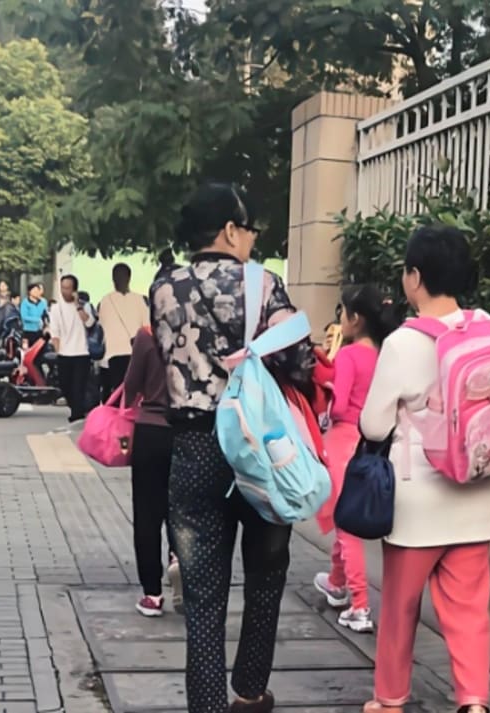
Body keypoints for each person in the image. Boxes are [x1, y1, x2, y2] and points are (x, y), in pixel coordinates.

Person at [151, 183, 316, 713]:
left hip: (193, 447)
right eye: (249, 230)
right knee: (266, 573)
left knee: (202, 594)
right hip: (257, 447)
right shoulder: (262, 283)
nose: (251, 239)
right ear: (229, 229)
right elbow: (300, 362)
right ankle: (249, 691)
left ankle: (206, 705)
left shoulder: (163, 287)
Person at [359, 226, 490, 713]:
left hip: (416, 501)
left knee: (400, 606)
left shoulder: (403, 343)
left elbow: (374, 425)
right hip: (477, 495)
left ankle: (390, 699)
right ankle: (474, 703)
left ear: (415, 277)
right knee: (469, 610)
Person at [313, 286, 398, 634]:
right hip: (372, 445)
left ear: (356, 318)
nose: (340, 319)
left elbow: (340, 407)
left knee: (347, 526)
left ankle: (360, 605)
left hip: (343, 441)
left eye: (343, 312)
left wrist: (328, 394)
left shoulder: (348, 356)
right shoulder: (384, 355)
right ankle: (336, 583)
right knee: (345, 515)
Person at [122, 325, 182, 617]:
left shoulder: (147, 335)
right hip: (189, 433)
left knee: (147, 515)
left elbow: (131, 385)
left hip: (150, 431)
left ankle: (152, 594)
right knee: (183, 509)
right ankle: (179, 558)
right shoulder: (197, 329)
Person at [98, 263, 150, 402]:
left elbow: (102, 325)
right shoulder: (140, 299)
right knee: (134, 394)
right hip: (135, 353)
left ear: (113, 279)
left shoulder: (106, 300)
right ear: (129, 278)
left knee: (115, 393)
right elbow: (147, 327)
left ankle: (116, 415)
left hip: (112, 354)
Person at [49, 275, 96, 422]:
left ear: (75, 290)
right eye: (63, 288)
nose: (65, 291)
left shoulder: (84, 306)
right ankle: (76, 409)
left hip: (82, 353)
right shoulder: (56, 308)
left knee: (78, 387)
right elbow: (54, 332)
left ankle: (77, 415)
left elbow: (90, 323)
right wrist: (58, 351)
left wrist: (78, 305)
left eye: (68, 288)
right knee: (65, 386)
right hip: (64, 354)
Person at [21, 283, 49, 348]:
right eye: (34, 290)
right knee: (28, 350)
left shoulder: (43, 302)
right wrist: (37, 320)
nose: (36, 292)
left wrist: (46, 323)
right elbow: (24, 317)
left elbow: (45, 314)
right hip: (28, 331)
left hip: (40, 331)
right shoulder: (25, 302)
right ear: (29, 292)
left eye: (37, 290)